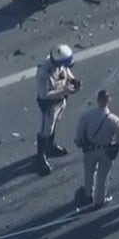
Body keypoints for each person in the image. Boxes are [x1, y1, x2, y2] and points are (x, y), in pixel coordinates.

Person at [73, 89, 119, 210]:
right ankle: (100, 200)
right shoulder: (114, 119)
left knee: (89, 173)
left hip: (90, 149)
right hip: (105, 151)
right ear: (109, 100)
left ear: (97, 100)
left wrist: (80, 141)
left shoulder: (87, 116)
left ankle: (88, 194)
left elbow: (80, 133)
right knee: (103, 176)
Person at [33, 44, 81, 176]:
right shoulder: (43, 72)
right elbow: (43, 94)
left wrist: (73, 80)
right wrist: (65, 90)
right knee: (46, 129)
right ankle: (41, 156)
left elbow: (66, 71)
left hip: (61, 100)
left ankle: (50, 146)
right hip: (50, 104)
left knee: (54, 124)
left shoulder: (60, 64)